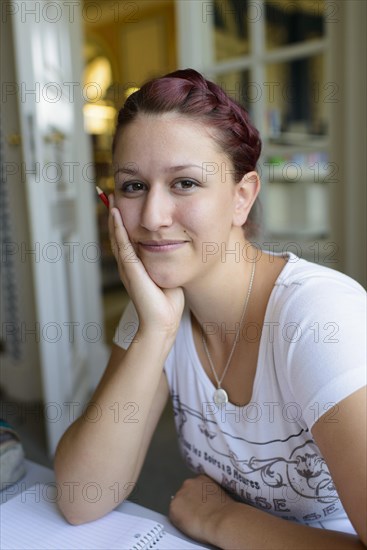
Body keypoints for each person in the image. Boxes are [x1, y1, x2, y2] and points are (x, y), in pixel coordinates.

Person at [54, 69, 366, 549]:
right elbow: (80, 498)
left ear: (242, 197)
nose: (154, 218)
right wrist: (154, 332)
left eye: (184, 183)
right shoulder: (155, 311)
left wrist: (222, 521)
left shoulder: (319, 320)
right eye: (133, 186)